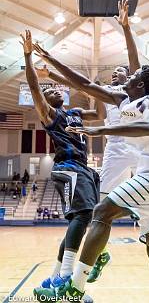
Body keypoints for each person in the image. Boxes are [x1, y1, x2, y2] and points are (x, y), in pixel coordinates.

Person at [33, 0, 149, 279]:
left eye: (125, 71)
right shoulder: (114, 94)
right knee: (101, 207)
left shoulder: (142, 95)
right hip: (119, 150)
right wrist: (52, 71)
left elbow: (134, 62)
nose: (120, 72)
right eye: (116, 71)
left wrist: (126, 27)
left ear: (135, 79)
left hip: (142, 151)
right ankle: (98, 255)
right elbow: (83, 83)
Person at [34, 57, 149, 302]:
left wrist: (99, 130)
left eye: (133, 77)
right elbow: (84, 84)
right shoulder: (123, 99)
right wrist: (51, 63)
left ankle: (76, 287)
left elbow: (146, 127)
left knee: (102, 211)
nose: (128, 76)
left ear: (141, 86)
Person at [20, 30, 105, 303]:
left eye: (56, 88)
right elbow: (34, 88)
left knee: (81, 221)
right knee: (83, 216)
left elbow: (100, 114)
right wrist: (27, 57)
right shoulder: (50, 114)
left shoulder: (75, 113)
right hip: (68, 167)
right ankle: (66, 278)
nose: (55, 90)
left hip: (83, 168)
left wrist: (93, 89)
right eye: (51, 91)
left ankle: (55, 276)